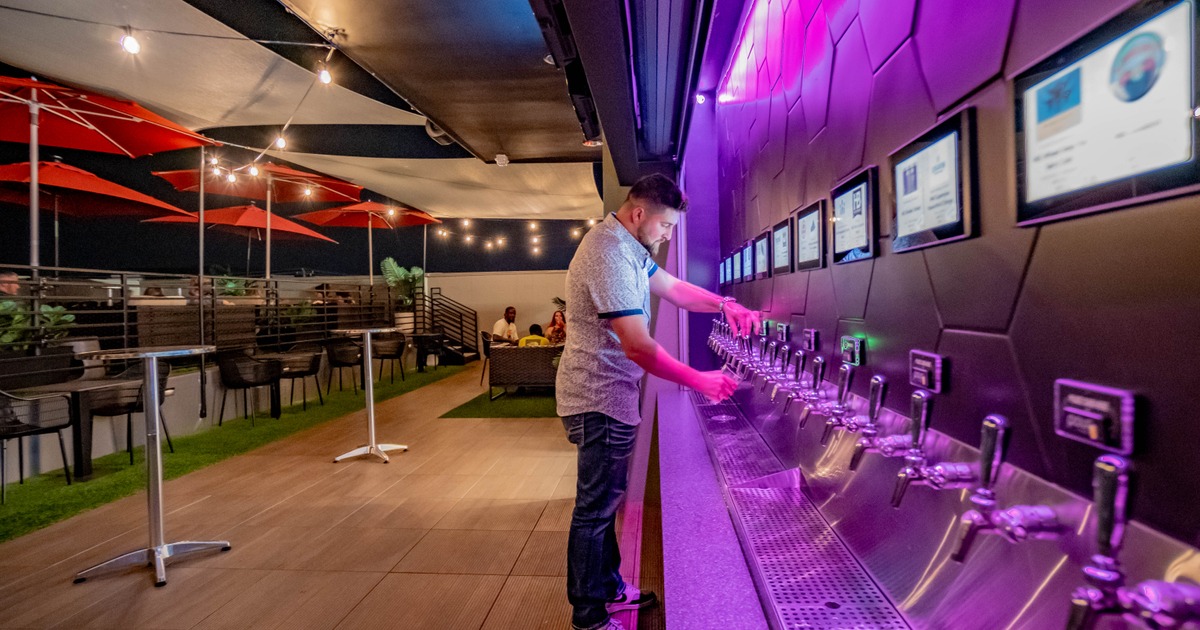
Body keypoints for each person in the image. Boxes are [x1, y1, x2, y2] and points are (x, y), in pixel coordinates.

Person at [556, 173, 760, 630]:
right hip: (598, 397)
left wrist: (725, 304)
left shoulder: (629, 247)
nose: (667, 235)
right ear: (639, 214)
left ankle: (608, 588)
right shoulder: (608, 253)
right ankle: (588, 616)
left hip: (609, 395)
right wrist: (699, 380)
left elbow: (674, 288)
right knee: (593, 511)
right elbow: (637, 346)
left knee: (604, 505)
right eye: (665, 226)